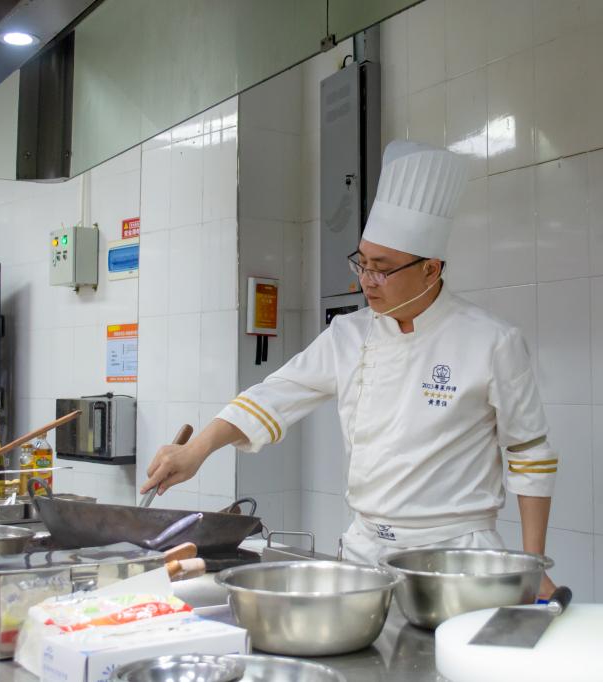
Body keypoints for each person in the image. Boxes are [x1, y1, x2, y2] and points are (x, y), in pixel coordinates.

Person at [142, 140, 558, 596]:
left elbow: (529, 452)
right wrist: (197, 450)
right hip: (365, 553)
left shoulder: (491, 341)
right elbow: (274, 396)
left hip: (456, 555)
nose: (365, 281)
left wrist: (533, 564)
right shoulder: (349, 334)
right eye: (362, 263)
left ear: (430, 269)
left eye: (382, 269)